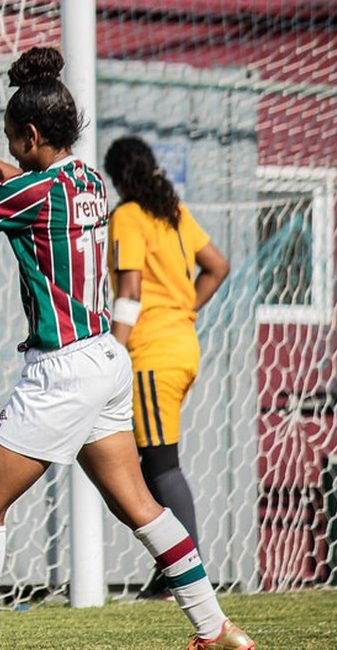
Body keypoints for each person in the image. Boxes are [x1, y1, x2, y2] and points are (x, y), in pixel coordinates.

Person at [0, 46, 254, 650]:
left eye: (12, 136)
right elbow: (8, 176)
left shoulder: (38, 191)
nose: (9, 146)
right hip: (107, 360)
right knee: (138, 504)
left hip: (63, 369)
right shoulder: (86, 178)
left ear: (32, 134)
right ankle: (214, 626)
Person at [103, 136, 231, 600]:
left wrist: (113, 352)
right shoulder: (171, 214)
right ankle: (173, 568)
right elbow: (217, 265)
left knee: (161, 465)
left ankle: (183, 572)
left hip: (153, 354)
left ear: (117, 177)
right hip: (182, 346)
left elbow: (130, 290)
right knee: (152, 462)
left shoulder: (128, 216)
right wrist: (185, 311)